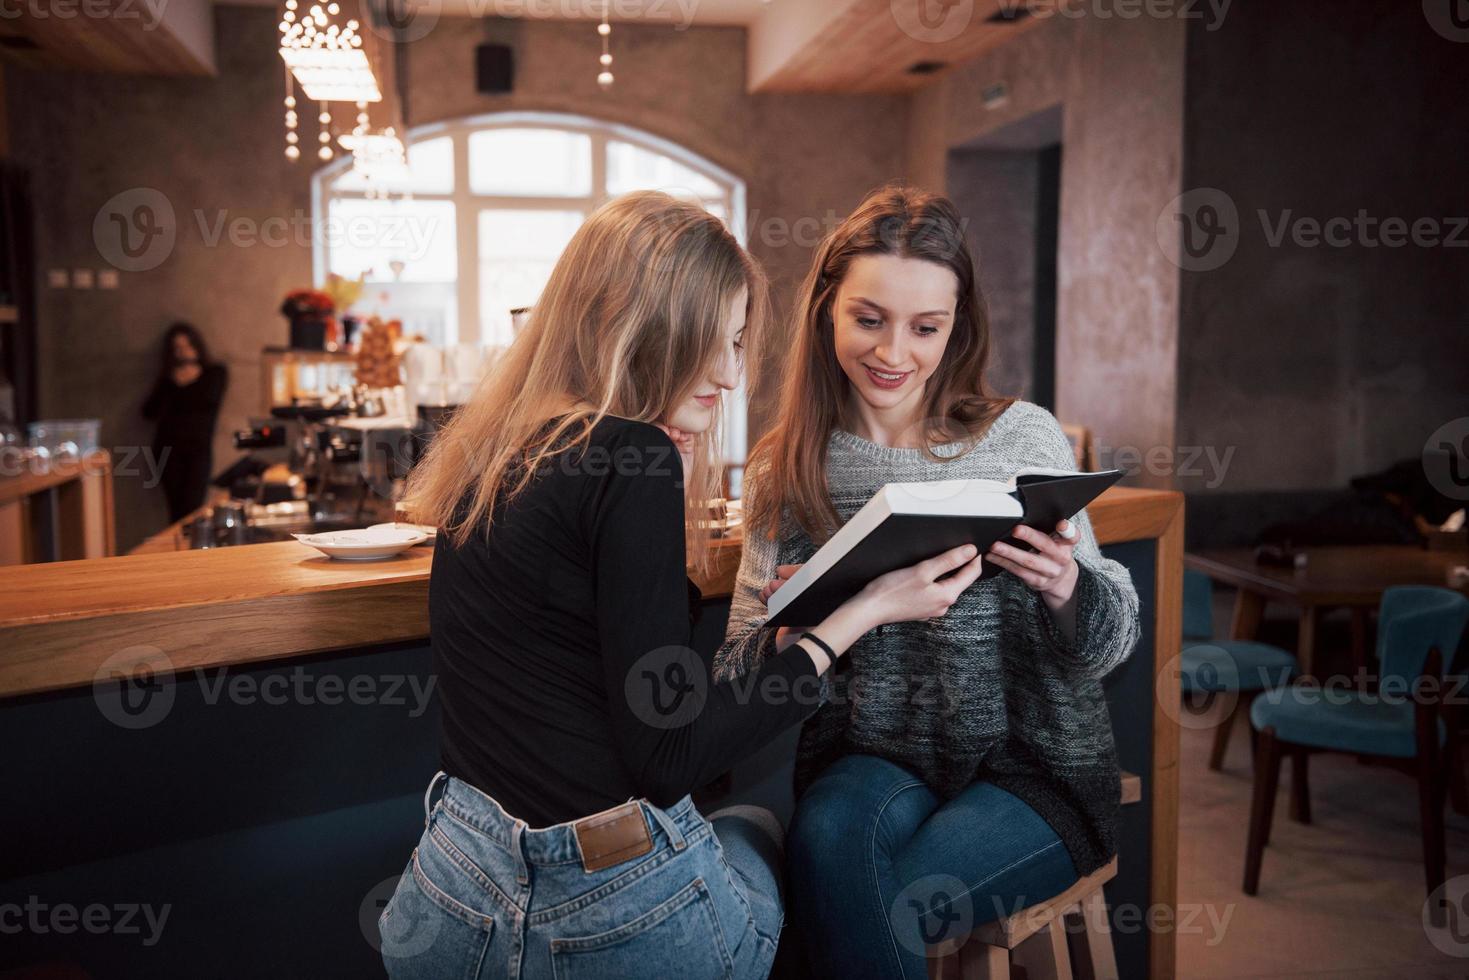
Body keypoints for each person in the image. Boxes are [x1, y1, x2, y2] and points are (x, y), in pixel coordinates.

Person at [381, 191, 984, 980]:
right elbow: (669, 758)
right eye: (720, 341)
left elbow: (587, 677)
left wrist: (776, 639)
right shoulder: (632, 460)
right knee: (763, 835)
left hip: (449, 898)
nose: (732, 376)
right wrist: (854, 619)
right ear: (647, 328)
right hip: (601, 921)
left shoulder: (495, 447)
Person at [716, 185, 1142, 978]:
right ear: (826, 313)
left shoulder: (1020, 433)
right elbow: (738, 670)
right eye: (868, 319)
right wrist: (800, 626)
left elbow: (1112, 641)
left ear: (958, 327)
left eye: (925, 328)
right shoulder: (788, 466)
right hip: (868, 759)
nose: (892, 353)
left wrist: (1064, 589)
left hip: (1034, 768)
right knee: (831, 850)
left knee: (858, 905)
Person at [142, 322, 227, 521]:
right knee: (176, 512)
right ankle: (178, 551)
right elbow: (148, 412)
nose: (183, 352)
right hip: (167, 451)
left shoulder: (214, 373)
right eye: (177, 348)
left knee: (192, 508)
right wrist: (172, 383)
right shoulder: (168, 380)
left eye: (187, 345)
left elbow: (208, 400)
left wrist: (185, 384)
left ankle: (191, 549)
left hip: (198, 450)